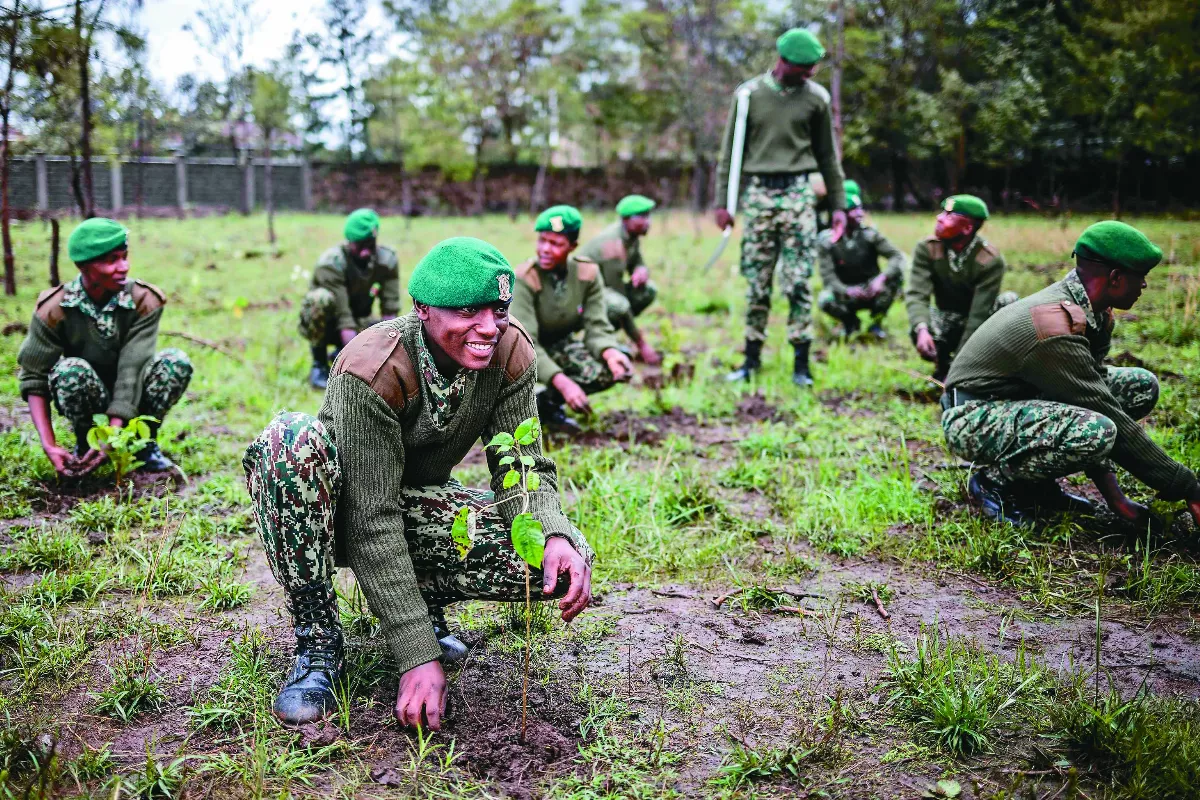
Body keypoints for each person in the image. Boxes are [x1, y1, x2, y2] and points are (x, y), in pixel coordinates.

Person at [244, 237, 595, 729]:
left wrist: (553, 534)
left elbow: (521, 466)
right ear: (423, 308)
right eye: (468, 311)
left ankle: (427, 605)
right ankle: (318, 639)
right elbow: (370, 518)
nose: (488, 327)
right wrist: (417, 655)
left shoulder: (511, 349)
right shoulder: (374, 366)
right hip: (337, 517)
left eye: (498, 310)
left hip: (410, 508)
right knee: (290, 440)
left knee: (563, 555)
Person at [941, 221, 1200, 529]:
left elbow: (1096, 396)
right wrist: (1187, 487)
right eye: (1140, 276)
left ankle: (1036, 482)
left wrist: (1117, 501)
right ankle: (996, 481)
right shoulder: (1054, 325)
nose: (1144, 286)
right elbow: (1103, 414)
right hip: (972, 417)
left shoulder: (1095, 312)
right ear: (1115, 278)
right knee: (1097, 430)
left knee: (1139, 387)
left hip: (1017, 400)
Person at [716, 27, 848, 387]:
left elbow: (828, 157)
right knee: (757, 282)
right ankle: (751, 361)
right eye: (803, 69)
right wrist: (723, 202)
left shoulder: (816, 99)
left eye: (812, 69)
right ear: (783, 61)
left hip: (798, 196)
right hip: (759, 195)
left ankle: (801, 366)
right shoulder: (748, 96)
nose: (809, 75)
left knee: (799, 281)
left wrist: (838, 205)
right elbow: (730, 154)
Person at [17, 218, 191, 478]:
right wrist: (49, 444)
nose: (124, 267)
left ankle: (142, 445)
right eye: (111, 260)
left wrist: (114, 430)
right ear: (84, 266)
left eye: (124, 257)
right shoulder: (54, 309)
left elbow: (132, 370)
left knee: (175, 362)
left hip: (134, 396)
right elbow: (33, 377)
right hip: (89, 396)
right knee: (70, 371)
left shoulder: (143, 300)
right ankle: (86, 442)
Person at [511, 205, 633, 433]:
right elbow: (525, 345)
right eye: (542, 240)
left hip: (556, 345)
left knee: (607, 369)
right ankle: (517, 407)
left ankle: (545, 404)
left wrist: (610, 352)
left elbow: (597, 326)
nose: (545, 249)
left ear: (573, 246)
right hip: (517, 353)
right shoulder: (525, 279)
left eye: (556, 244)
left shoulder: (586, 274)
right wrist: (563, 383)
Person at [905, 195, 1017, 382]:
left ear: (967, 228)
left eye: (949, 215)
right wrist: (922, 329)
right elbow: (917, 294)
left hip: (980, 325)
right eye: (942, 212)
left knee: (1009, 302)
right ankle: (942, 365)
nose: (939, 218)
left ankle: (992, 370)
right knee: (920, 320)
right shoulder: (927, 249)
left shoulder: (989, 260)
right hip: (948, 318)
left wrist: (959, 368)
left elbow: (978, 317)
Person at [299, 208, 401, 389]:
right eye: (359, 246)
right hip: (328, 326)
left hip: (359, 323)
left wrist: (389, 353)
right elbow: (344, 318)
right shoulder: (331, 264)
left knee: (388, 329)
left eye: (370, 244)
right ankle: (319, 365)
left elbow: (390, 313)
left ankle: (341, 354)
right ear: (350, 241)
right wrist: (357, 367)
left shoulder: (386, 261)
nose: (365, 252)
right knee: (319, 299)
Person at [579, 194, 661, 365]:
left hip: (603, 291)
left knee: (648, 291)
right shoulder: (612, 246)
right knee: (619, 306)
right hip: (580, 298)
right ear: (626, 219)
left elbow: (637, 261)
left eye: (648, 216)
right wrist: (642, 344)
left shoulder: (631, 237)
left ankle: (605, 337)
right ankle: (596, 340)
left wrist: (641, 270)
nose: (648, 222)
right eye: (641, 217)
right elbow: (618, 296)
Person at [816, 186, 905, 339]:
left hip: (871, 288)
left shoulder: (870, 235)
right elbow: (828, 278)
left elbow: (896, 256)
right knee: (825, 298)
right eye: (853, 210)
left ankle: (876, 324)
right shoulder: (828, 241)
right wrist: (846, 290)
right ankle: (850, 323)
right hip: (845, 292)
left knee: (896, 278)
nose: (860, 213)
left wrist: (880, 279)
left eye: (860, 208)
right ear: (841, 215)